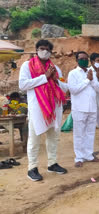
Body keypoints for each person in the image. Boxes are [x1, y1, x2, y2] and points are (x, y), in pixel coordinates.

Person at [19, 39, 68, 181]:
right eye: (42, 48)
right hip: (37, 108)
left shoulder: (56, 69)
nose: (44, 51)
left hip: (54, 108)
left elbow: (65, 87)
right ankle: (32, 168)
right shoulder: (27, 66)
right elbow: (22, 85)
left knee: (53, 138)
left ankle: (52, 163)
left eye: (47, 49)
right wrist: (44, 77)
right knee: (34, 139)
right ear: (36, 50)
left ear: (51, 52)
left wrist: (55, 79)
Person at [68, 51, 99, 167]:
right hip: (79, 108)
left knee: (90, 133)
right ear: (77, 60)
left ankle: (89, 155)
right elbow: (73, 90)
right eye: (81, 58)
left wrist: (92, 80)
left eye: (86, 58)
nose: (84, 60)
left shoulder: (91, 72)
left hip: (92, 108)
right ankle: (79, 157)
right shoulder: (72, 73)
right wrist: (87, 80)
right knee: (79, 134)